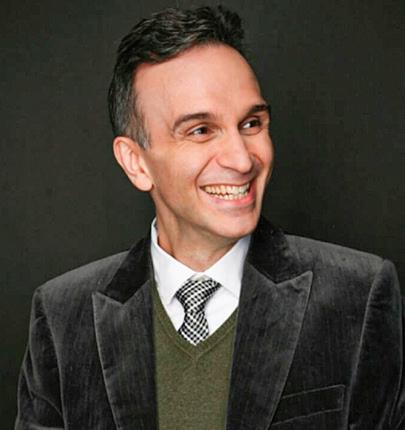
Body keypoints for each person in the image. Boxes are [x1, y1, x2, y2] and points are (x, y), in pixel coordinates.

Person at [15, 5, 404, 430]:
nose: (242, 159)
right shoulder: (61, 318)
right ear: (135, 163)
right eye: (201, 130)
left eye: (251, 123)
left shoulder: (358, 298)